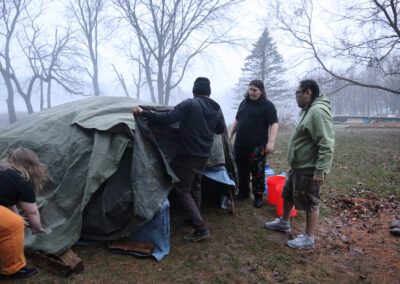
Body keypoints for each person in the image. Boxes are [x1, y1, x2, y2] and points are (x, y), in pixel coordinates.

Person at [132, 77, 225, 242]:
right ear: (209, 92)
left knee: (182, 190)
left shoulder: (190, 104)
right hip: (204, 155)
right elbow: (219, 129)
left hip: (188, 154)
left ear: (194, 90)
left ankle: (201, 228)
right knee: (195, 186)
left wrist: (143, 112)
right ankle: (194, 216)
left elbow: (168, 118)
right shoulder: (216, 108)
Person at [264, 79, 335, 249]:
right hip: (297, 166)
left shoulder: (317, 112)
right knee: (287, 194)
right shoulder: (307, 109)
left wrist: (320, 171)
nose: (295, 97)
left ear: (308, 92)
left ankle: (309, 238)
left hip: (309, 169)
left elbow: (326, 144)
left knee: (311, 202)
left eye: (298, 93)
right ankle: (284, 222)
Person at [228, 79, 278, 208]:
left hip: (258, 146)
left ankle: (258, 196)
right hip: (240, 144)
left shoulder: (268, 106)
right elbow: (237, 119)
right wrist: (230, 134)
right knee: (241, 170)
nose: (251, 92)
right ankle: (244, 192)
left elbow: (274, 124)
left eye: (254, 90)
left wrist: (271, 142)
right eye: (250, 89)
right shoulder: (244, 103)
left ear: (261, 91)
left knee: (257, 172)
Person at [0, 147, 48, 280]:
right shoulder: (22, 179)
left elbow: (7, 202)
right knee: (15, 225)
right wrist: (37, 228)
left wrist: (16, 216)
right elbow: (32, 212)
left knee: (12, 222)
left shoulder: (5, 172)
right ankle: (13, 270)